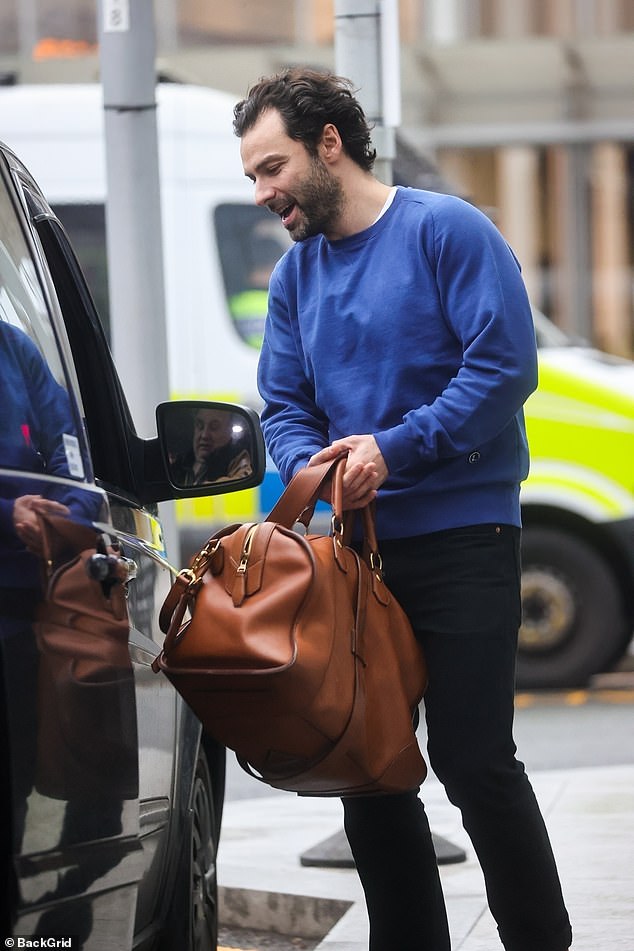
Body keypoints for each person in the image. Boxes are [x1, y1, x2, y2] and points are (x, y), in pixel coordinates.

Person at [233, 68, 572, 951]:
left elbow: (503, 369)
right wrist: (314, 464)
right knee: (369, 768)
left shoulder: (444, 229)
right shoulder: (294, 277)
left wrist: (392, 447)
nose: (264, 192)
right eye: (253, 177)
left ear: (328, 145)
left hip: (464, 536)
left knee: (472, 760)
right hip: (356, 557)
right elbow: (286, 402)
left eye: (272, 168)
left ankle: (541, 940)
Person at [170, 406, 253, 486]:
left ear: (229, 431)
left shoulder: (238, 458)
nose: (204, 435)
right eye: (200, 426)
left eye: (214, 427)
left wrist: (202, 487)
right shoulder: (180, 464)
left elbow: (242, 477)